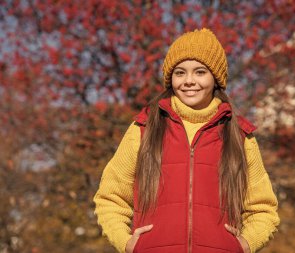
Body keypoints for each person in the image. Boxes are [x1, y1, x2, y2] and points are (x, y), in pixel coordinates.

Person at [93, 28, 280, 253]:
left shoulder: (240, 136)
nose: (189, 81)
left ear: (216, 78)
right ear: (170, 79)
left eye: (200, 72)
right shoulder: (144, 129)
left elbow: (263, 209)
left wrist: (245, 244)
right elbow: (110, 198)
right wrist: (128, 244)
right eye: (180, 73)